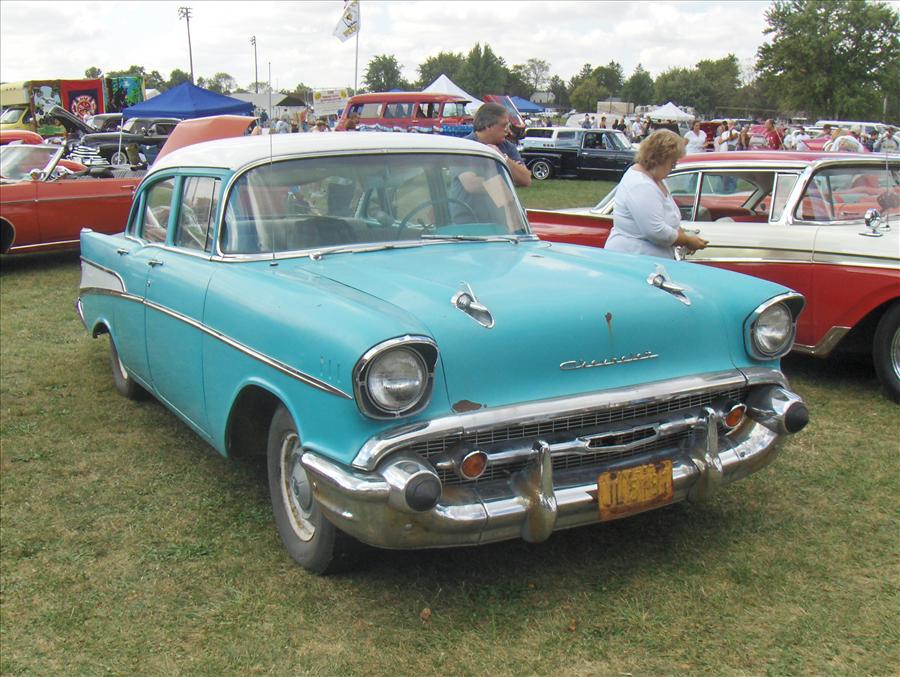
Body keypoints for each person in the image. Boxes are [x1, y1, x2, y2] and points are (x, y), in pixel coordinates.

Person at [605, 129, 708, 259]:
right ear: (661, 158)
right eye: (672, 163)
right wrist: (687, 241)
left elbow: (668, 218)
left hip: (650, 261)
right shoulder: (640, 184)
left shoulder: (656, 179)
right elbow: (655, 231)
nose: (674, 167)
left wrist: (683, 236)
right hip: (633, 258)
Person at [461, 102, 531, 188]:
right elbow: (471, 185)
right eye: (503, 125)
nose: (507, 130)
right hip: (466, 202)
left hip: (502, 201)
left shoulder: (508, 147)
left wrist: (503, 157)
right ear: (488, 126)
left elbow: (526, 180)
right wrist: (507, 174)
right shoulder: (464, 147)